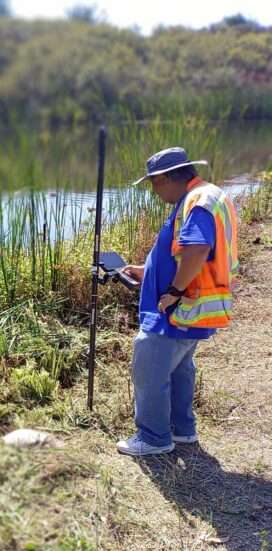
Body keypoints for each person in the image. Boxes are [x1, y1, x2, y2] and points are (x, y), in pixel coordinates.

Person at [117, 147, 239, 456]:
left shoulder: (198, 202)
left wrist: (174, 290)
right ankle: (182, 429)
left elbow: (197, 250)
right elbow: (183, 252)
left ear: (167, 178)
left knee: (149, 368)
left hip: (179, 308)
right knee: (179, 368)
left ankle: (154, 438)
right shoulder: (206, 196)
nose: (154, 192)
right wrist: (149, 271)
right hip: (193, 309)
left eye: (154, 184)